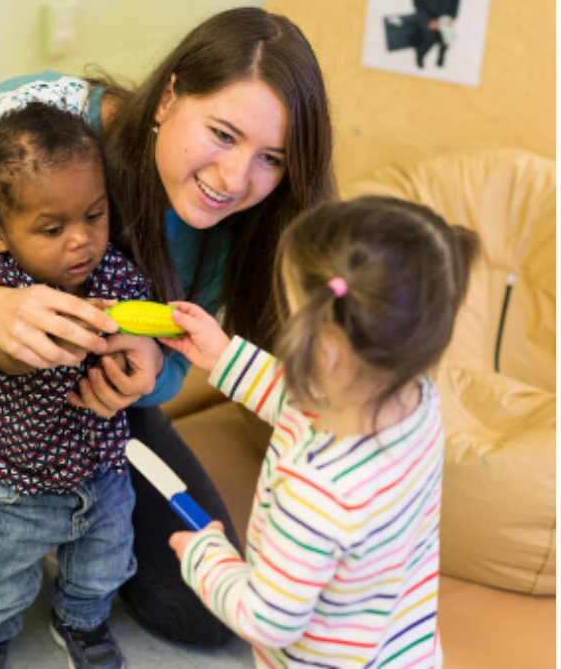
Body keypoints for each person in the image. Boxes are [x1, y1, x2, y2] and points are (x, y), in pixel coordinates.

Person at [0, 7, 335, 652]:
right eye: (223, 134)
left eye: (271, 158)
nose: (234, 179)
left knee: (203, 614)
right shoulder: (34, 120)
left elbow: (171, 370)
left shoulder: (248, 224)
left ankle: (25, 508)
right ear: (169, 95)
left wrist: (143, 374)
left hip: (80, 405)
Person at [161, 197, 479, 669]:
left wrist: (206, 557)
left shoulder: (315, 494)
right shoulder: (418, 401)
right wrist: (224, 356)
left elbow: (267, 618)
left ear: (326, 350)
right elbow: (303, 402)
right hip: (405, 651)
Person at [0, 101, 149, 668]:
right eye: (52, 228)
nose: (81, 241)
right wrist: (44, 346)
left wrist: (147, 348)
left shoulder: (113, 273)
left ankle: (80, 622)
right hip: (13, 476)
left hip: (102, 464)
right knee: (0, 576)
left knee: (105, 561)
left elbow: (144, 334)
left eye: (94, 215)